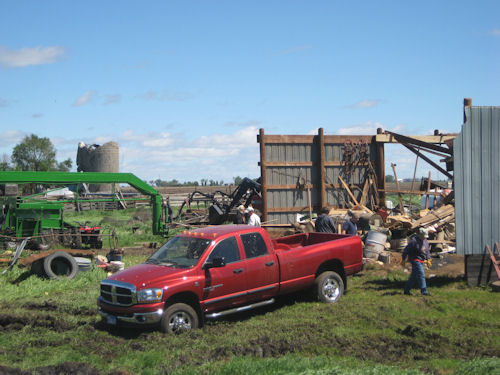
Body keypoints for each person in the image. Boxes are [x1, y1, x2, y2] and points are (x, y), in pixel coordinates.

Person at [402, 227, 431, 296]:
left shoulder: (425, 241)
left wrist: (428, 259)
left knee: (413, 277)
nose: (424, 238)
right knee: (421, 274)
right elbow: (406, 250)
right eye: (423, 236)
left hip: (421, 260)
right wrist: (403, 259)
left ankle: (406, 290)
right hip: (415, 260)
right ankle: (424, 291)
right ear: (419, 235)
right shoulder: (414, 241)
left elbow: (427, 251)